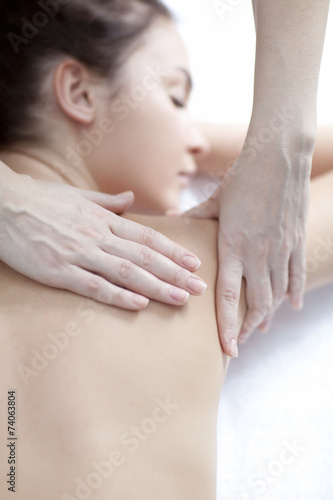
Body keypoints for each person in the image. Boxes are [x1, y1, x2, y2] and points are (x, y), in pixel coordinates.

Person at [0, 1, 333, 499]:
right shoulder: (185, 267)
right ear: (76, 91)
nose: (193, 141)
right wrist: (261, 148)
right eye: (177, 98)